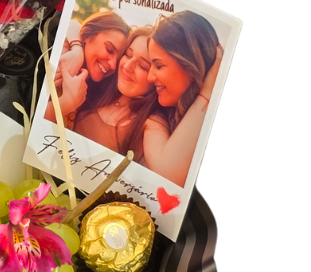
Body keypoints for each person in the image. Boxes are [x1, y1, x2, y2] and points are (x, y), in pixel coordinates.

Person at [142, 11, 223, 187]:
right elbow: (167, 174)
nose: (150, 77)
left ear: (190, 64)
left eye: (159, 66)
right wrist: (206, 93)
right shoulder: (156, 121)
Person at [71, 26, 169, 159]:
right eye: (128, 55)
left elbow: (166, 165)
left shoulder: (151, 122)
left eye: (142, 66)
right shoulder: (97, 86)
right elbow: (74, 25)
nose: (127, 67)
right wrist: (76, 50)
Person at [44, 10, 130, 128]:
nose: (113, 65)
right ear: (88, 36)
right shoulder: (63, 55)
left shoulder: (94, 87)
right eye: (109, 49)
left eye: (119, 59)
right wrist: (67, 102)